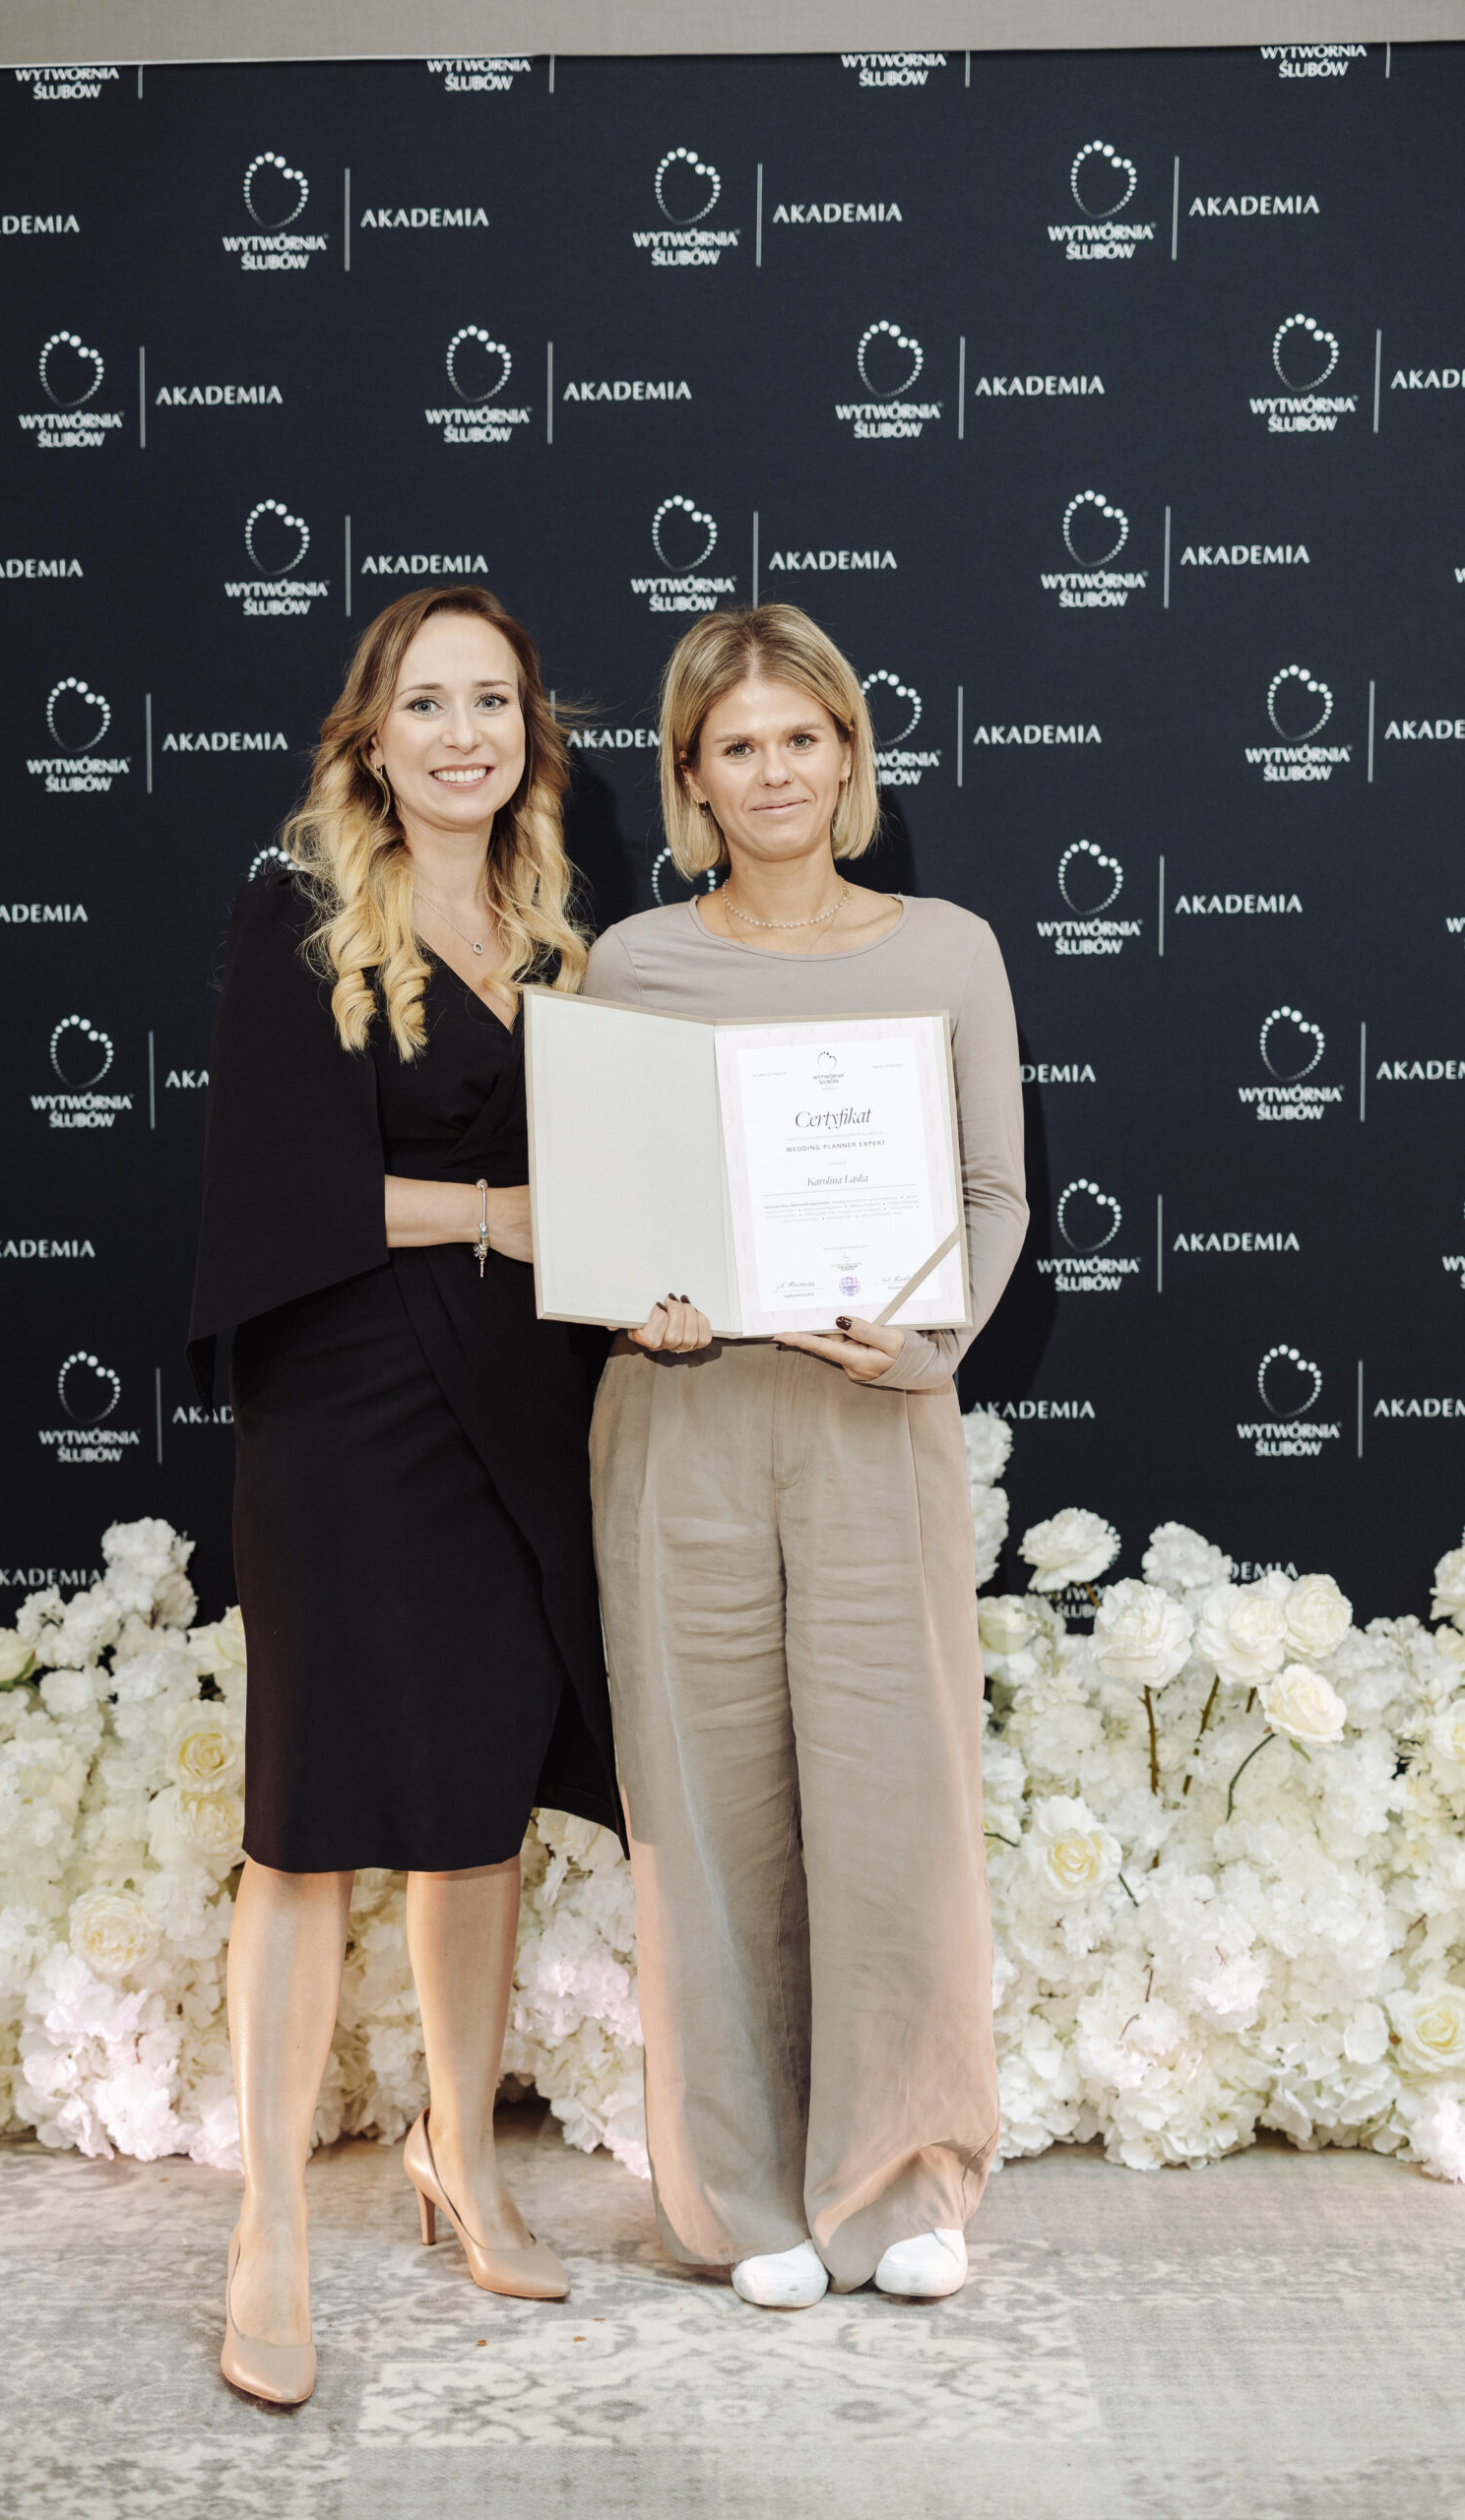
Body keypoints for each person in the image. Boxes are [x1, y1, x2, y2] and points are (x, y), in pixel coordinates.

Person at [188, 585, 638, 2405]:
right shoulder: (297, 914)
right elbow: (272, 1196)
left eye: (495, 702)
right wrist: (496, 1218)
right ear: (371, 737)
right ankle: (270, 2226)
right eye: (431, 703)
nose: (466, 735)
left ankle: (461, 2153)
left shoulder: (562, 928)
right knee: (305, 1828)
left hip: (522, 1404)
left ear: (533, 731)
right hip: (343, 1401)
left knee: (473, 1816)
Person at [583, 604, 1027, 2310]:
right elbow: (615, 1213)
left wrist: (925, 1341)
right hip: (685, 1422)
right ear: (690, 778)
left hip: (874, 1418)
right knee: (705, 1814)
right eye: (736, 746)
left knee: (895, 1801)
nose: (772, 773)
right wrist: (640, 1303)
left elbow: (990, 1195)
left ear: (849, 756)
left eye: (801, 738)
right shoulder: (636, 965)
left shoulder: (952, 950)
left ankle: (902, 2184)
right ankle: (741, 2197)